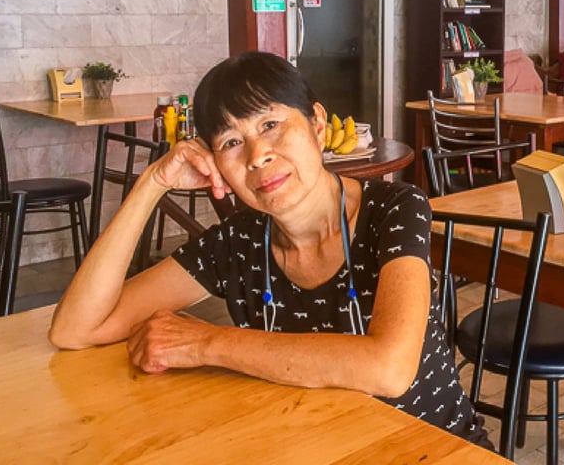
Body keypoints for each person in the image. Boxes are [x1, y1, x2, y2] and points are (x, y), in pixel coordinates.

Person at [49, 51, 488, 445]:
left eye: (271, 125)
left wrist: (207, 343)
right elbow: (77, 329)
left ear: (317, 123)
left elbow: (388, 369)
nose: (257, 156)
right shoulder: (238, 243)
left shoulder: (393, 209)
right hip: (320, 448)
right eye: (231, 143)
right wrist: (153, 184)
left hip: (436, 449)